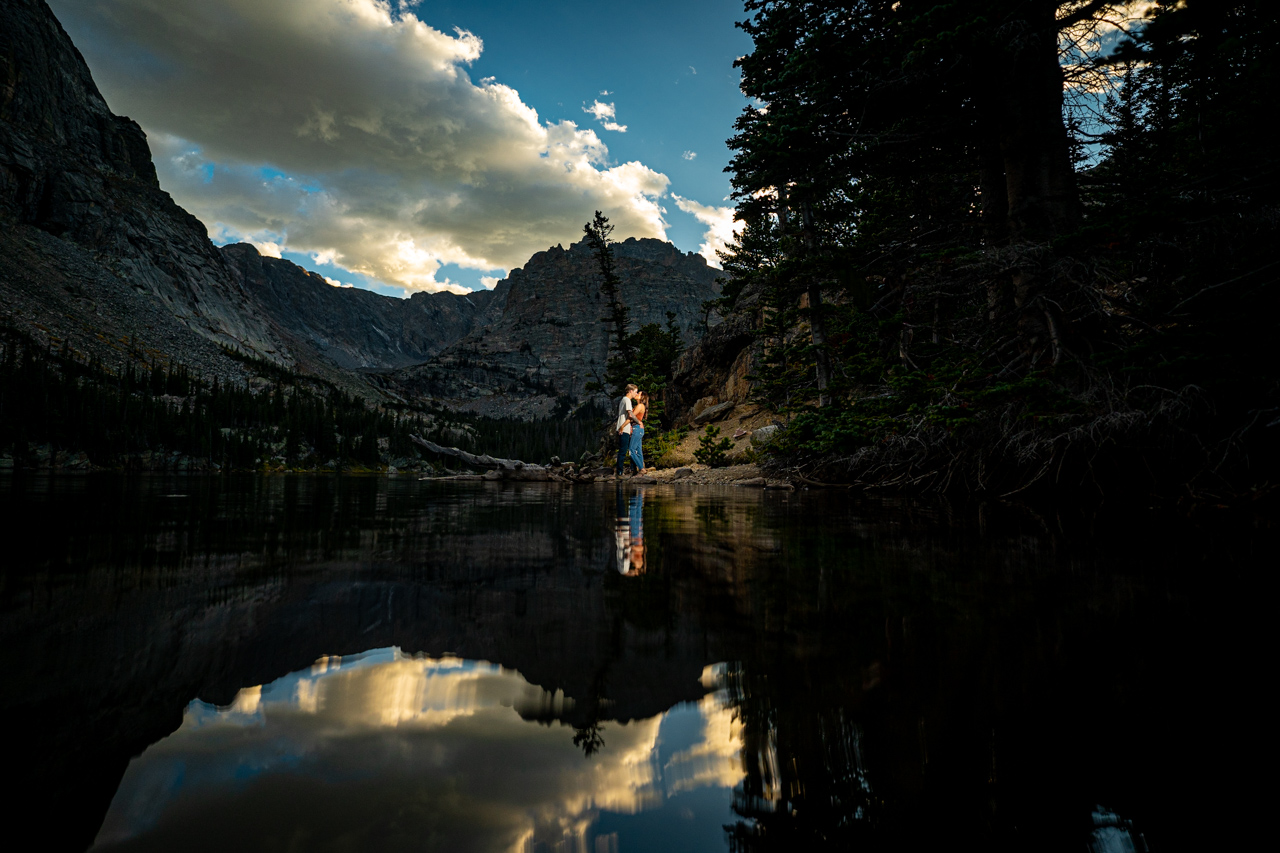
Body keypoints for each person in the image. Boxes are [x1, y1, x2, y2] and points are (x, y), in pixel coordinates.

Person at [615, 384, 640, 476]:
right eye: (635, 392)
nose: (636, 394)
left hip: (624, 427)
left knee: (625, 449)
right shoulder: (627, 400)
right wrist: (639, 422)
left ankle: (626, 470)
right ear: (630, 391)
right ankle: (620, 471)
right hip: (624, 428)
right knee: (624, 450)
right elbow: (630, 415)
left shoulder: (623, 400)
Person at [628, 392, 648, 473]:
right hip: (637, 428)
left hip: (637, 428)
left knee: (631, 450)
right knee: (638, 451)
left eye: (638, 394)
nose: (636, 394)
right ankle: (640, 469)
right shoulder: (638, 406)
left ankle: (641, 468)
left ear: (642, 397)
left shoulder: (640, 406)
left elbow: (631, 416)